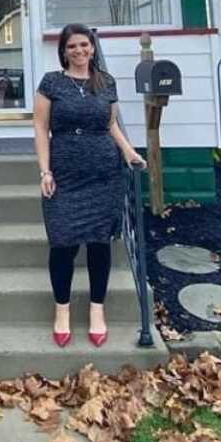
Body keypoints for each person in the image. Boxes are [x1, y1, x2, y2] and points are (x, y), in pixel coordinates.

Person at [32, 23, 146, 347]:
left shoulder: (106, 82)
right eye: (72, 47)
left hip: (103, 173)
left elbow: (110, 123)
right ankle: (62, 310)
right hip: (64, 173)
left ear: (93, 48)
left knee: (99, 243)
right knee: (62, 244)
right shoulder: (51, 83)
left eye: (84, 45)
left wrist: (128, 151)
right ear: (63, 51)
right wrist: (45, 171)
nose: (79, 51)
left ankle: (97, 310)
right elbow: (40, 128)